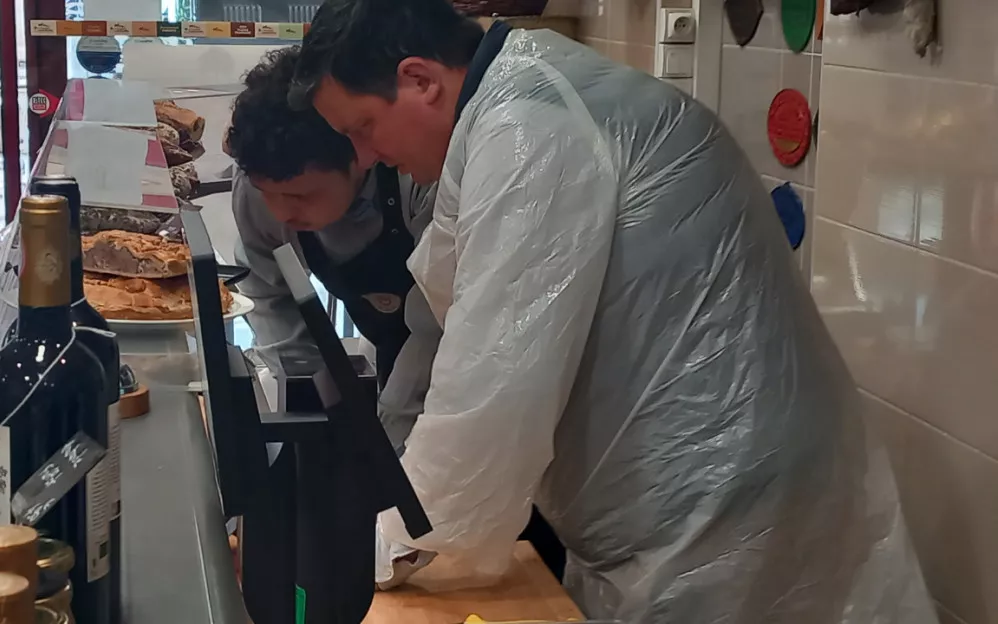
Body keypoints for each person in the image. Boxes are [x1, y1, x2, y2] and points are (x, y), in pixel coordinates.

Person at [289, 1, 940, 622]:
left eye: (362, 128)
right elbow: (458, 320)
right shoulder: (511, 105)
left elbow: (491, 387)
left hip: (725, 511)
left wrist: (384, 547)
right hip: (680, 509)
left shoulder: (528, 127)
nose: (365, 157)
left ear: (420, 81)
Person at [227, 48, 568, 579]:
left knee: (477, 508)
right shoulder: (260, 191)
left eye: (302, 196)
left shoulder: (421, 184)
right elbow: (270, 298)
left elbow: (438, 328)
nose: (282, 213)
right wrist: (312, 411)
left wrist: (390, 442)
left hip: (469, 352)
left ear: (359, 157)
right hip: (395, 344)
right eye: (269, 195)